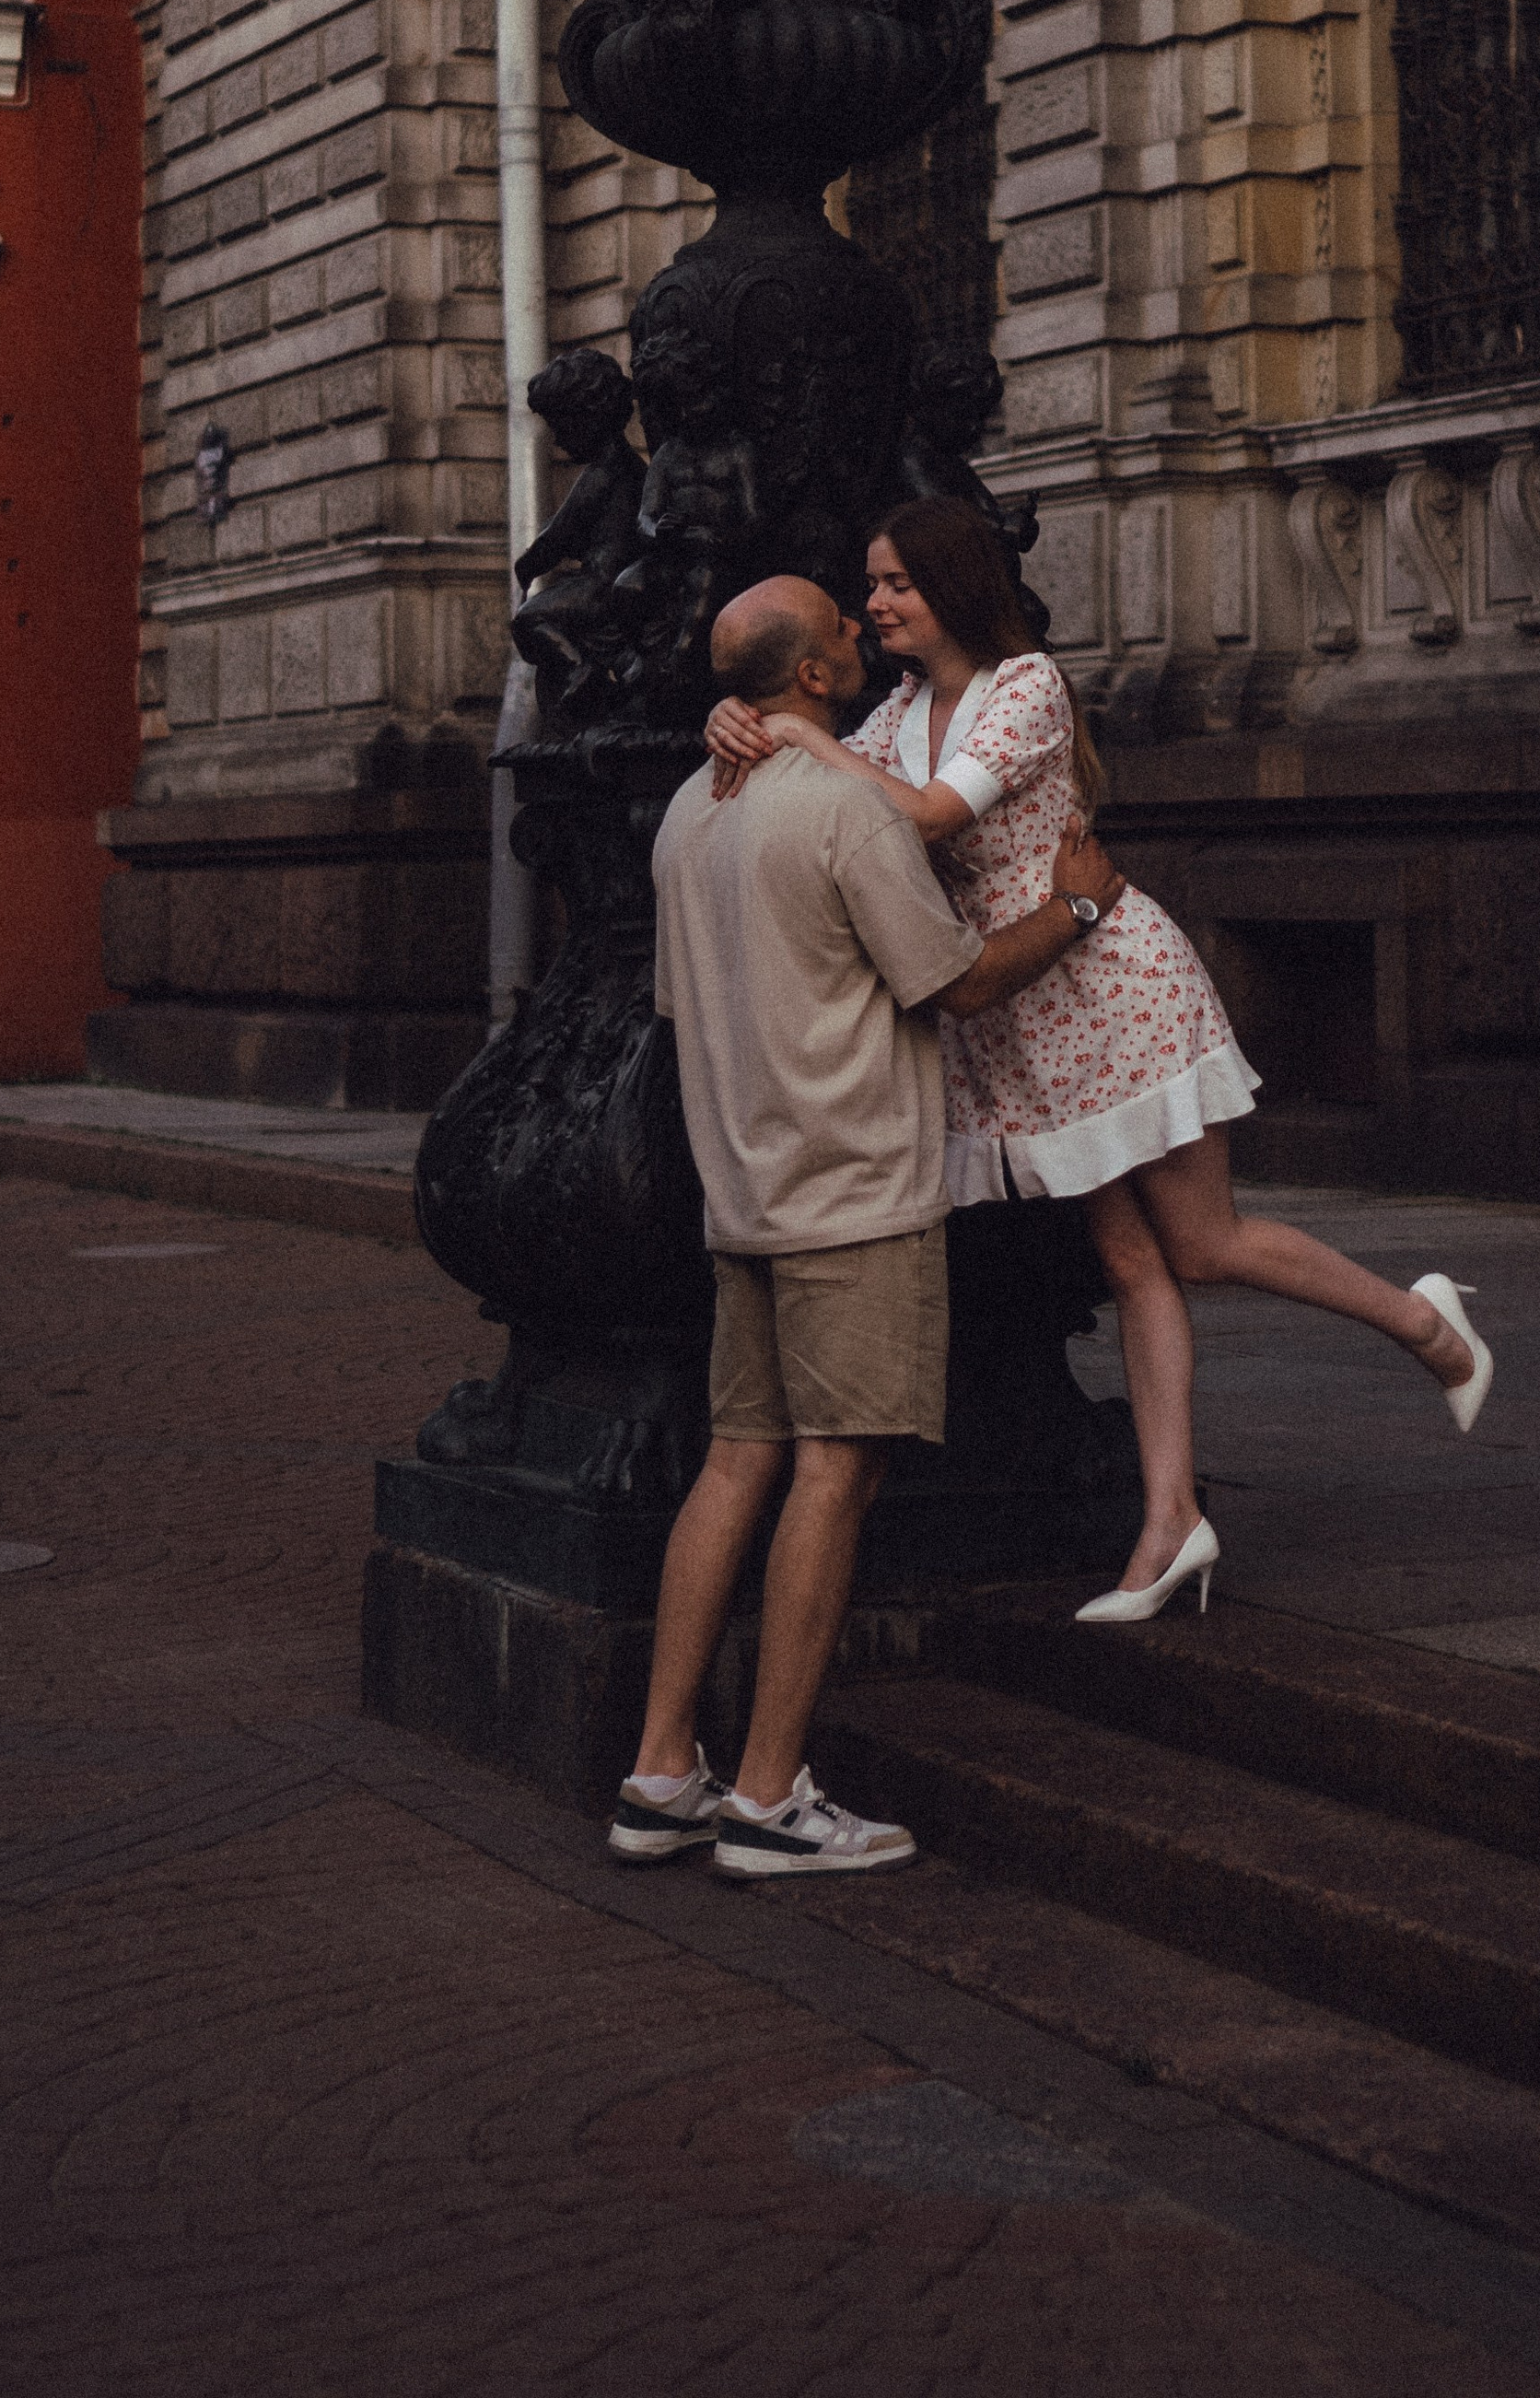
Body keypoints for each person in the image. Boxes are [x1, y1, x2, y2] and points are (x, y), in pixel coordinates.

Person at [706, 497, 1493, 1628]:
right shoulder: (891, 715)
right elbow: (839, 786)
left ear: (952, 588)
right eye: (868, 587)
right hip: (1020, 1014)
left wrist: (797, 736)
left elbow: (923, 818)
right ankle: (1171, 1522)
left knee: (1203, 1243)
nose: (874, 605)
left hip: (1110, 988)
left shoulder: (1022, 687)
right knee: (1129, 1262)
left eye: (895, 585)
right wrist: (733, 723)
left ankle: (1424, 1323)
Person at [611, 570, 1128, 1877]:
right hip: (853, 1194)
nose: (863, 633)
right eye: (847, 630)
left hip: (745, 1194)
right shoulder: (844, 809)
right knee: (836, 1476)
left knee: (735, 1466)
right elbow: (950, 983)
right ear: (818, 678)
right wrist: (1070, 909)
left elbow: (683, 1006)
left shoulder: (686, 812)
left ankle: (661, 1771)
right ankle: (772, 1799)